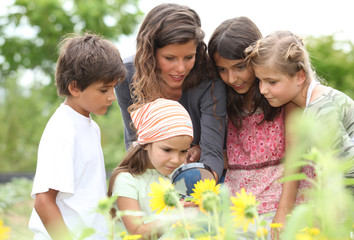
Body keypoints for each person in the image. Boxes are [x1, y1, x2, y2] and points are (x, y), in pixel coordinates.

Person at [208, 18, 313, 238]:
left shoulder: (281, 95)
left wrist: (284, 212)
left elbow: (296, 156)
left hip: (280, 200)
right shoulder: (226, 97)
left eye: (239, 67)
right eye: (222, 70)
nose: (232, 78)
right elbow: (243, 154)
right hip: (241, 205)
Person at [28, 33, 126, 240]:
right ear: (74, 87)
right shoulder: (63, 128)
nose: (111, 97)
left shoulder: (90, 127)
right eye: (103, 89)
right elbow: (43, 201)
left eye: (113, 88)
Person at [115, 3, 227, 181]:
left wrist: (198, 194)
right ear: (150, 53)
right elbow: (135, 144)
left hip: (203, 175)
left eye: (189, 57)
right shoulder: (126, 77)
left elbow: (212, 153)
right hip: (152, 175)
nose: (181, 68)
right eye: (170, 58)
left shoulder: (209, 81)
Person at [245, 30, 354, 196]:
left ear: (300, 76)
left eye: (272, 82)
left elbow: (353, 173)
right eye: (260, 81)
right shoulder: (313, 101)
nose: (262, 90)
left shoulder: (320, 109)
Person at [107, 98, 194, 239]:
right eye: (167, 150)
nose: (176, 160)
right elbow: (137, 233)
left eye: (183, 151)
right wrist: (176, 215)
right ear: (146, 143)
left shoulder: (178, 175)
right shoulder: (127, 180)